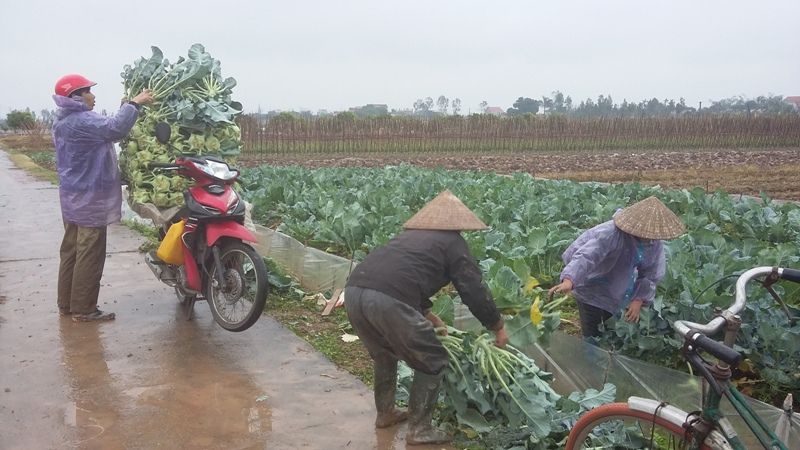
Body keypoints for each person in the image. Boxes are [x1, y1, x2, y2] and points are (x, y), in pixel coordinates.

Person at [344, 189, 508, 446]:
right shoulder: (453, 243)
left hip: (354, 292)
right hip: (387, 299)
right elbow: (472, 289)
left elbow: (402, 276)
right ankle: (419, 429)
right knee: (432, 359)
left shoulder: (409, 238)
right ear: (459, 224)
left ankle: (385, 413)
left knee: (385, 354)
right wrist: (496, 325)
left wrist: (429, 315)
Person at [52, 74, 153, 322]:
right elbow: (114, 129)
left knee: (72, 251)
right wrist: (135, 103)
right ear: (76, 96)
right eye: (89, 91)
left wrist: (125, 108)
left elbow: (106, 130)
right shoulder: (81, 120)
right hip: (89, 198)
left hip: (73, 197)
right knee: (90, 252)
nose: (93, 96)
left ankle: (67, 303)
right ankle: (84, 309)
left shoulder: (63, 120)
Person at [548, 196, 685, 338]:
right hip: (590, 282)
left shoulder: (654, 244)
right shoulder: (611, 233)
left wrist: (638, 299)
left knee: (609, 327)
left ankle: (605, 353)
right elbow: (587, 256)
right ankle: (590, 354)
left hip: (616, 286)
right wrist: (570, 279)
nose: (649, 238)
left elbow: (651, 274)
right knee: (592, 328)